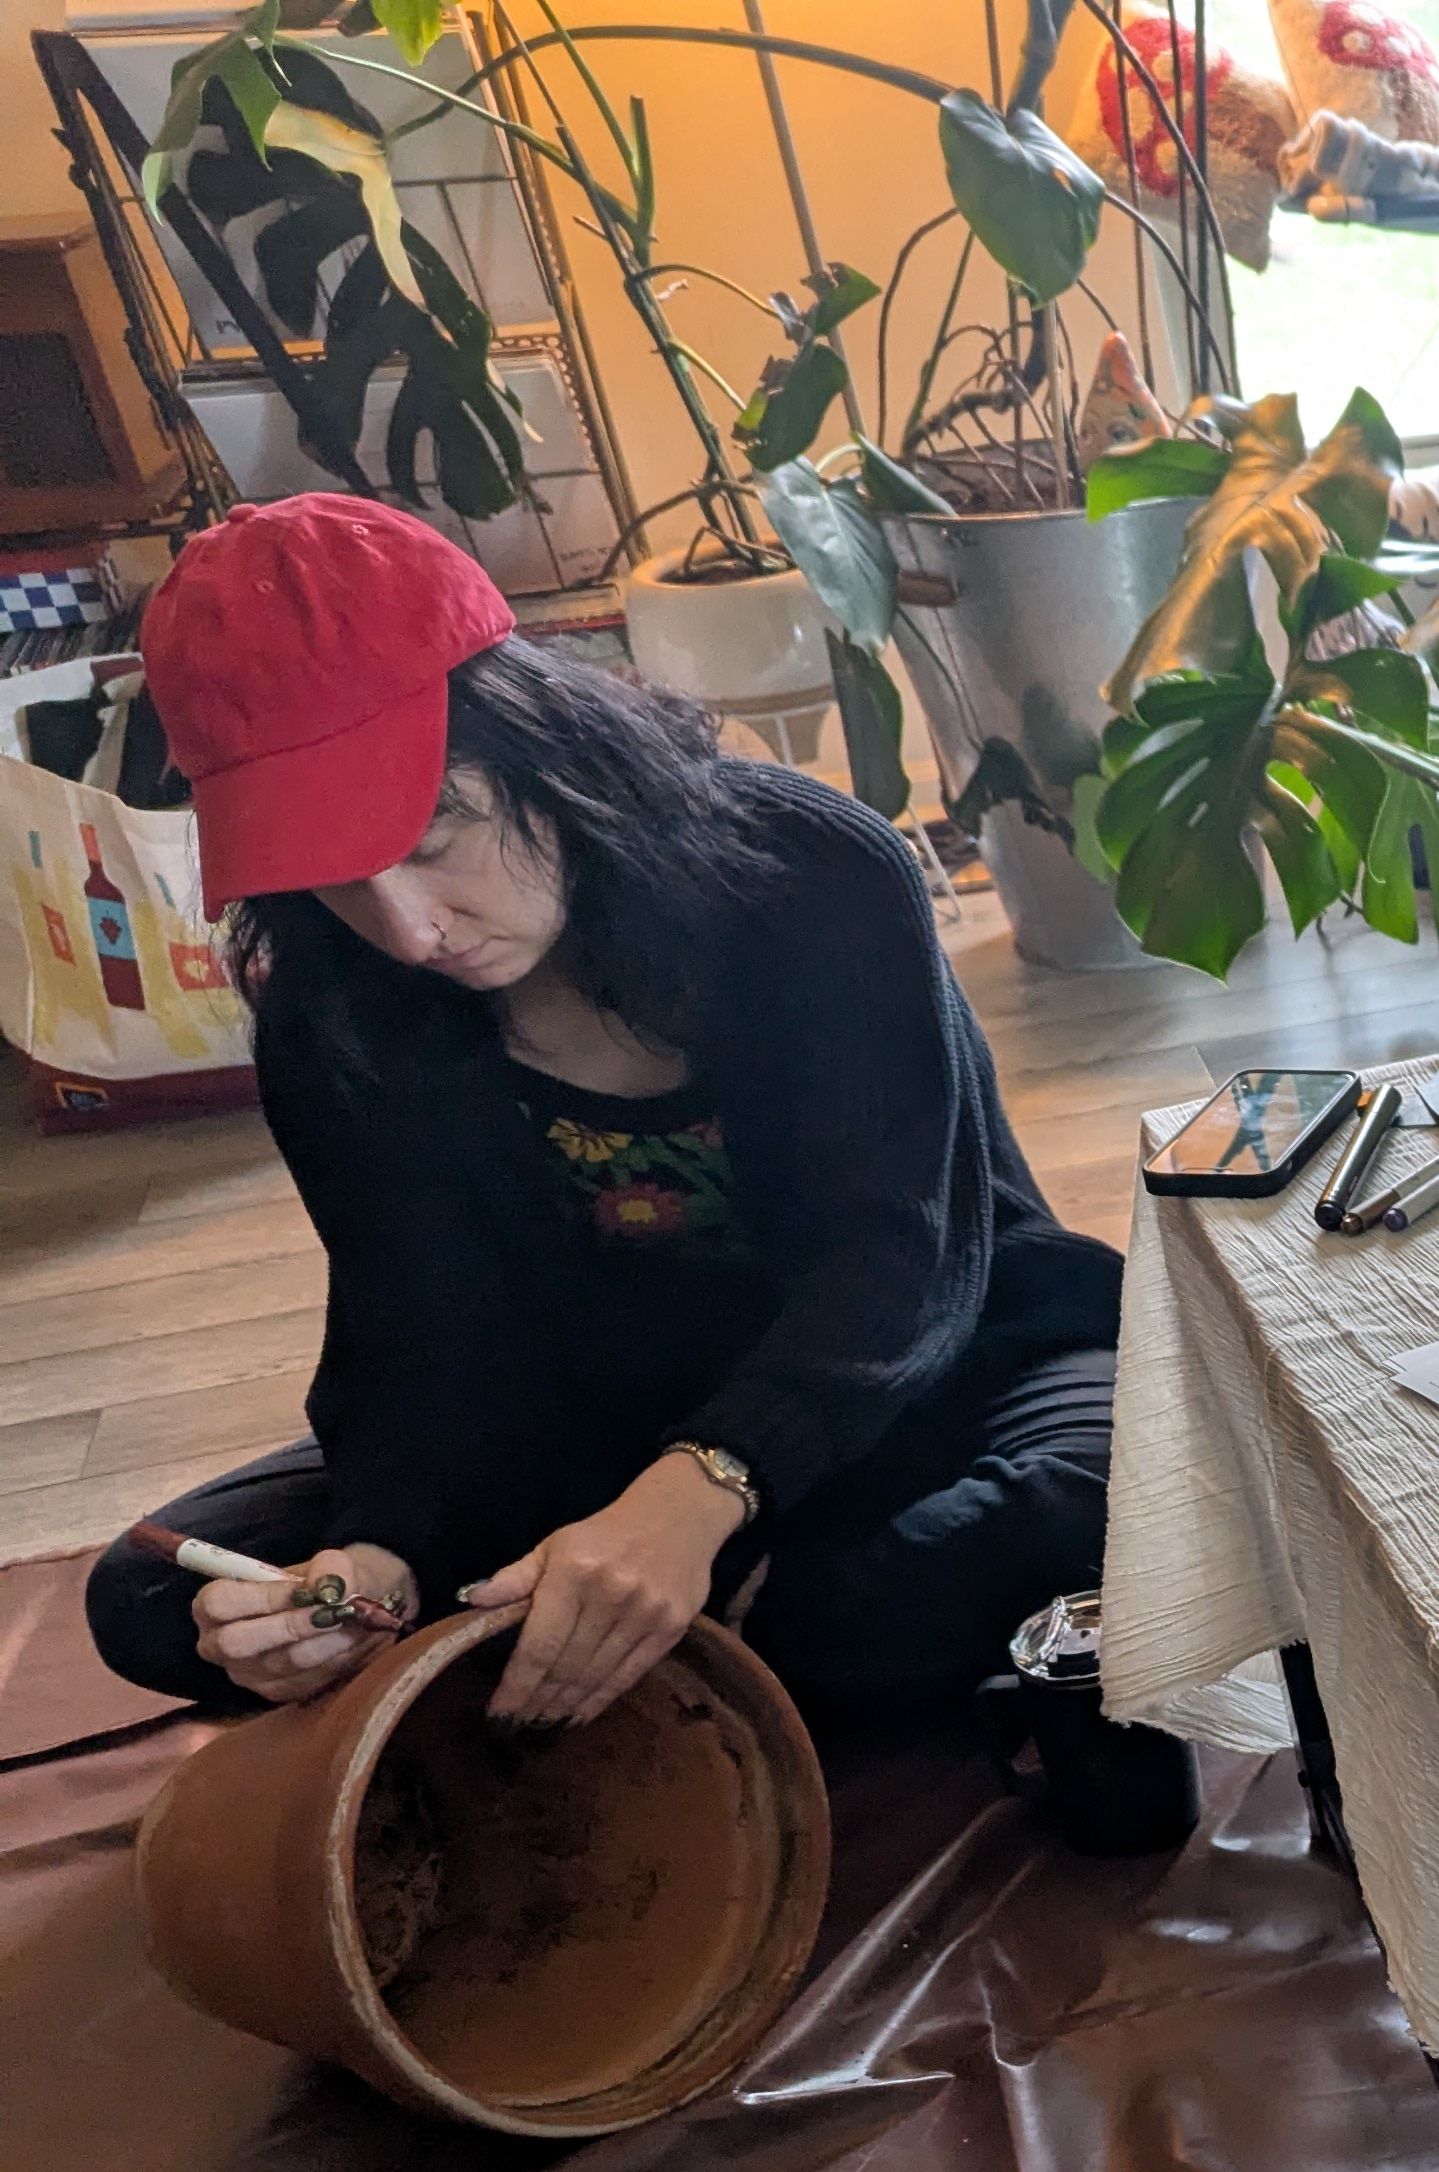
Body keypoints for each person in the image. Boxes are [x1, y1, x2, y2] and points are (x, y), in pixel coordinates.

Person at [83, 495, 1123, 1732]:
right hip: (585, 1421)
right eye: (328, 879)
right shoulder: (331, 1001)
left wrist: (705, 1489)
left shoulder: (817, 877)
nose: (408, 930)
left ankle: (670, 1630)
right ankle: (682, 1634)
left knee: (1079, 1499)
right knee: (152, 1593)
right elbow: (416, 1338)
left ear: (543, 744)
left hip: (924, 1366)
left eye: (436, 832)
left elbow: (899, 1263)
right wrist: (372, 1564)